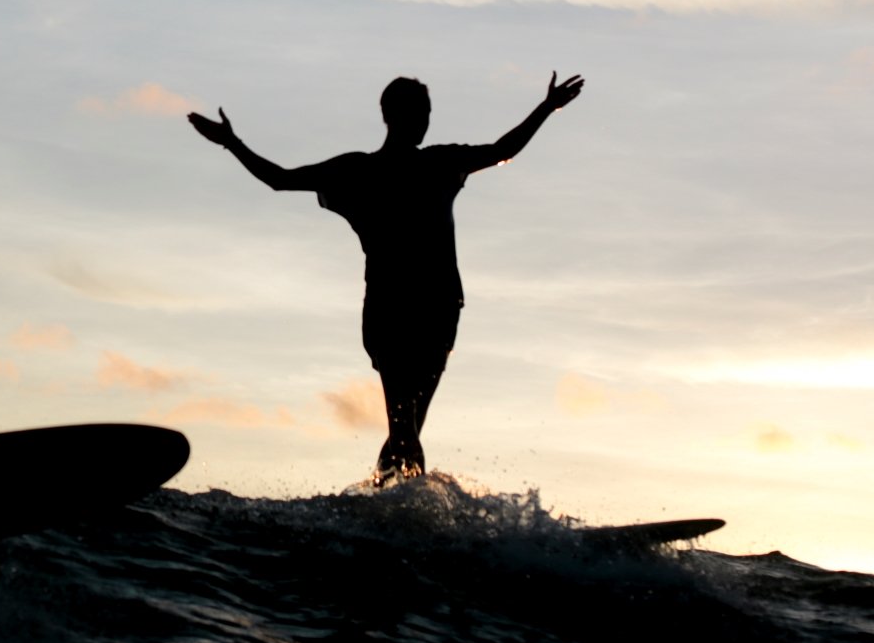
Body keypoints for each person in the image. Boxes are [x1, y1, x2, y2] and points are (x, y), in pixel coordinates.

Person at [187, 71, 583, 483]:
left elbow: (504, 149)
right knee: (404, 423)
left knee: (407, 424)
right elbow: (281, 180)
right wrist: (231, 143)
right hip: (391, 309)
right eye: (417, 113)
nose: (424, 121)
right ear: (391, 116)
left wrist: (546, 108)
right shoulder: (365, 170)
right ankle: (411, 513)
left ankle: (385, 500)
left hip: (439, 308)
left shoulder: (437, 162)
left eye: (427, 113)